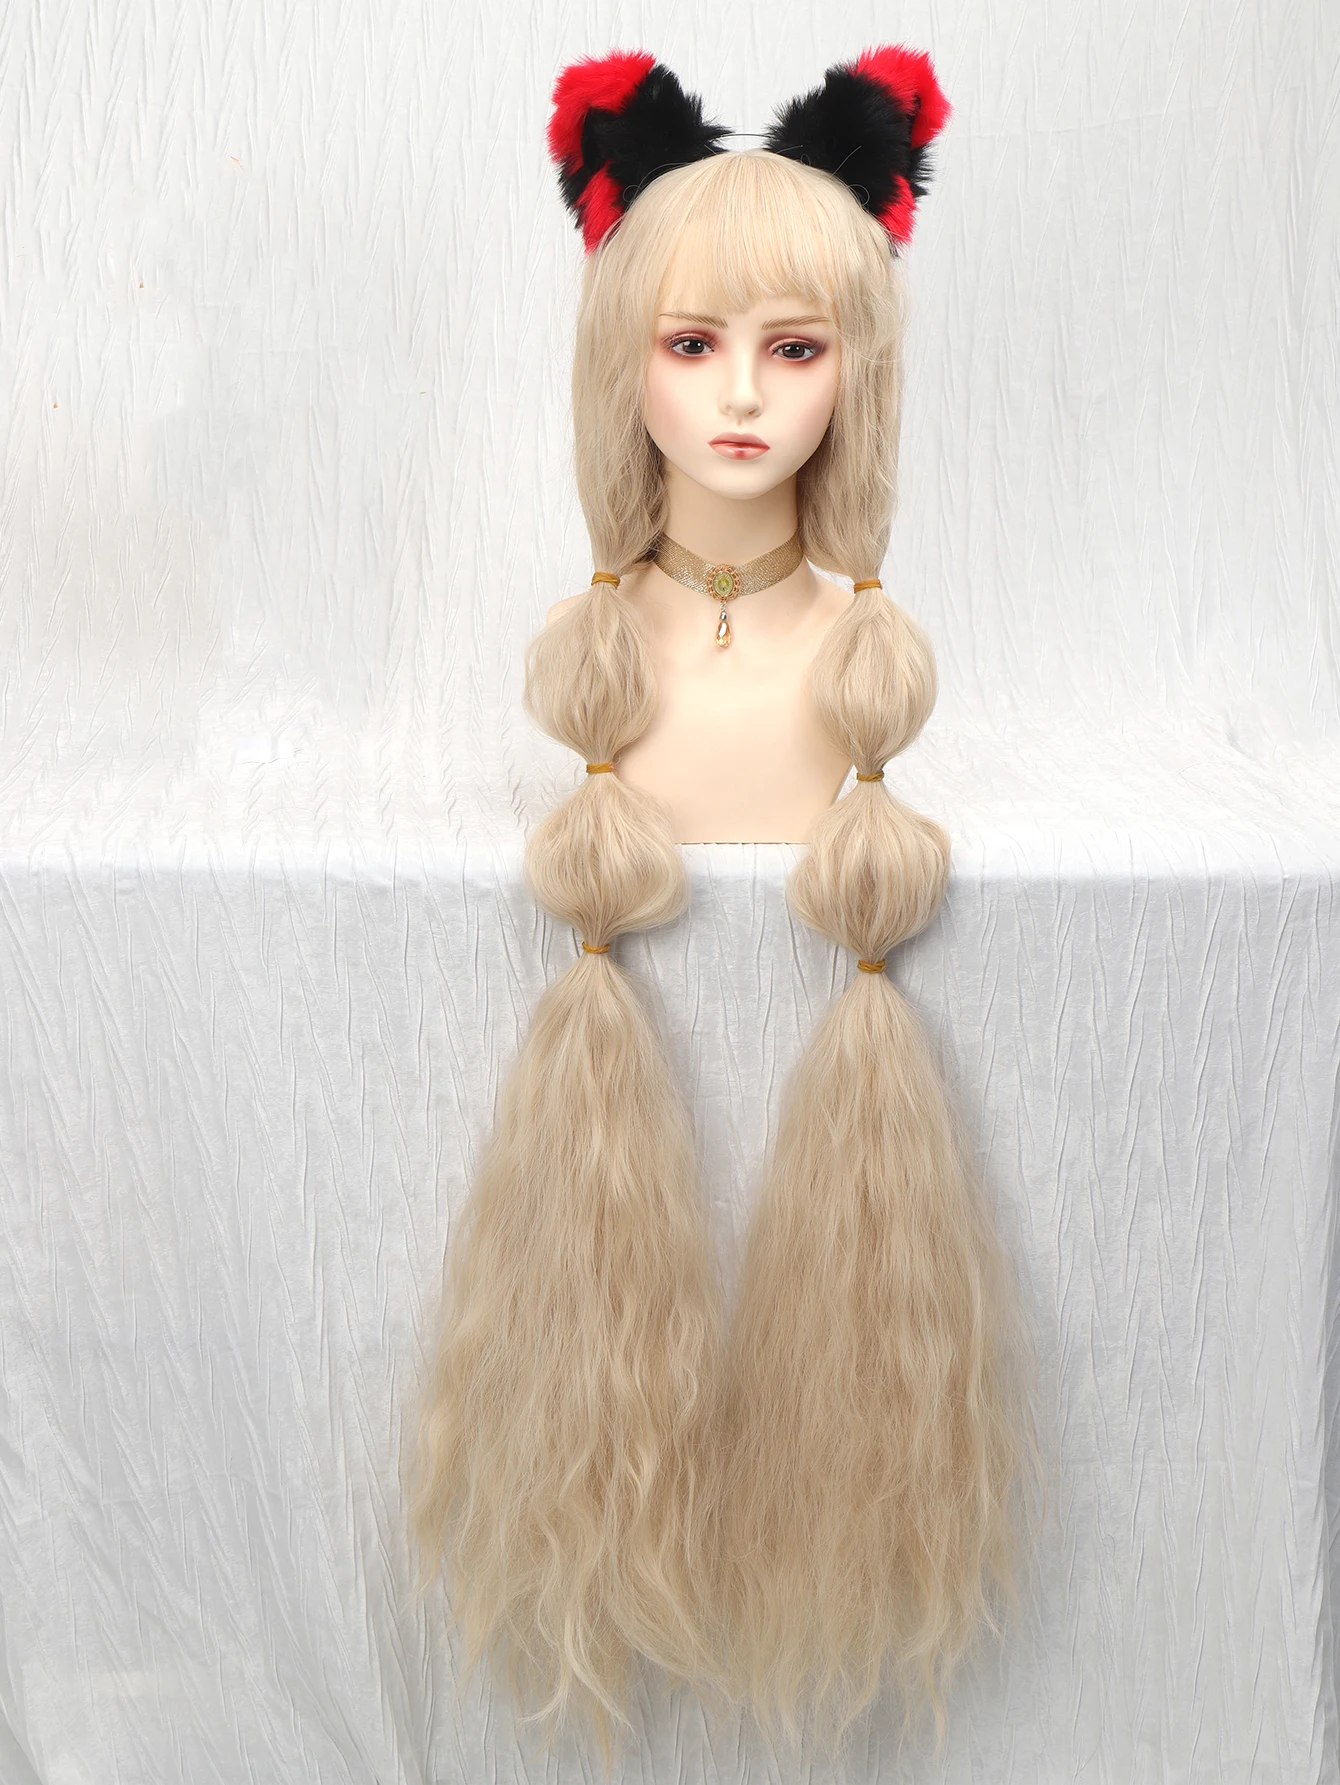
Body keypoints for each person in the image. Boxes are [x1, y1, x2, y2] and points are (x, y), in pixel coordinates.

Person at [410, 47, 1036, 1767]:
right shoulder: (601, 663)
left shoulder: (861, 663)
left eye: (797, 348)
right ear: (621, 358)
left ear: (861, 368)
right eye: (691, 345)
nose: (743, 396)